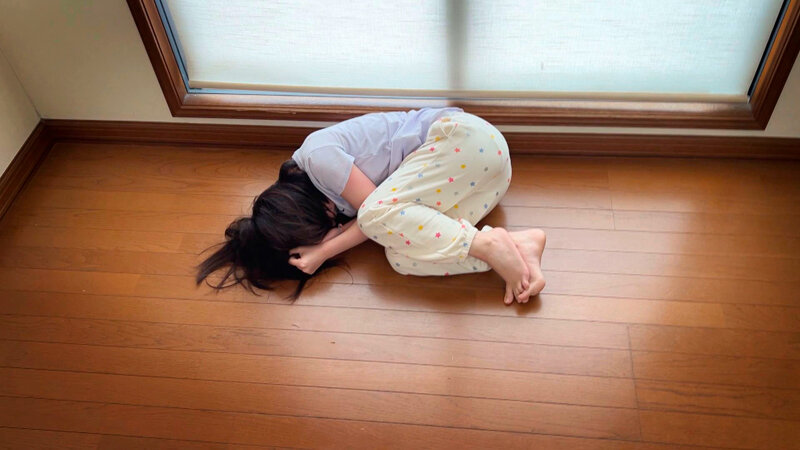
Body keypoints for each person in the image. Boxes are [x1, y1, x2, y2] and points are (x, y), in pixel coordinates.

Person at [197, 107, 546, 305]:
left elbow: (373, 216)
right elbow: (382, 220)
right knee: (400, 256)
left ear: (301, 210)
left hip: (467, 139)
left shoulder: (317, 157)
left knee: (376, 217)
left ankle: (486, 243)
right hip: (486, 180)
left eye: (318, 233)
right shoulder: (331, 199)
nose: (333, 229)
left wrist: (324, 251)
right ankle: (518, 246)